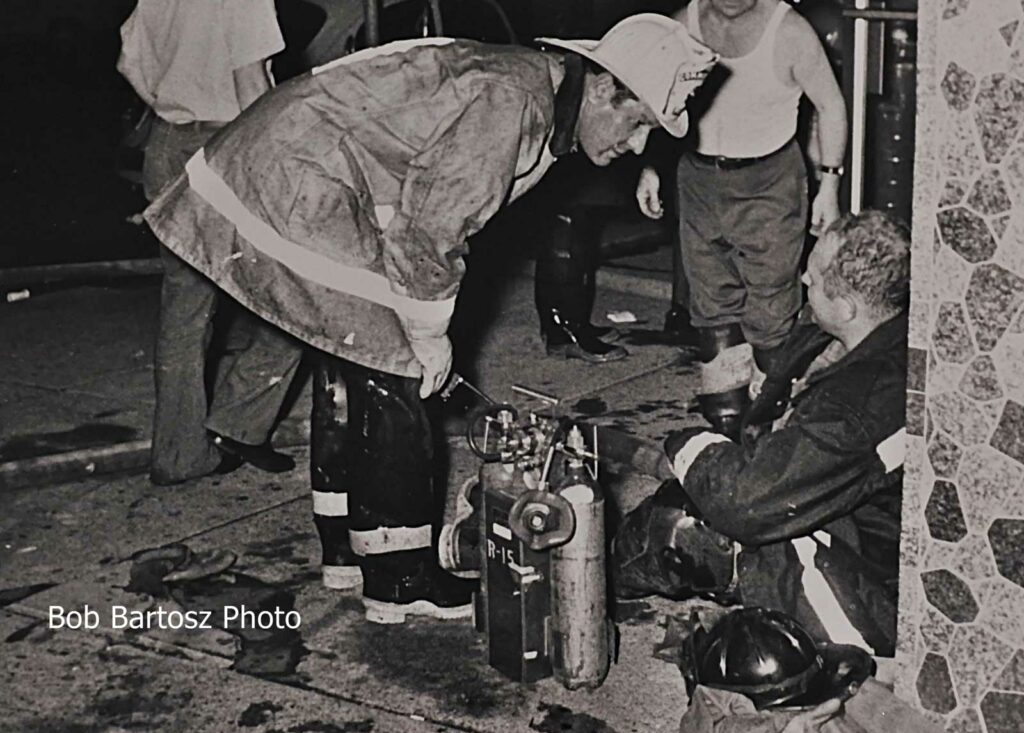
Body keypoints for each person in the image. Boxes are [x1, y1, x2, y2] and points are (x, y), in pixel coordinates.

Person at [142, 15, 717, 623]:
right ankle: (398, 577)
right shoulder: (513, 101)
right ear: (603, 87)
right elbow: (432, 229)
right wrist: (427, 333)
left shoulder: (531, 86)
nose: (635, 146)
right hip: (293, 183)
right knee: (396, 369)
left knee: (352, 358)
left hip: (281, 168)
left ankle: (346, 549)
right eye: (637, 126)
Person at [615, 210, 909, 657]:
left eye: (812, 280)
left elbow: (747, 501)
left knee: (686, 526)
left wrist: (685, 445)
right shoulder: (873, 336)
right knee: (708, 493)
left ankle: (597, 574)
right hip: (851, 509)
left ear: (848, 307)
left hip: (862, 554)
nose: (803, 281)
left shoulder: (858, 406)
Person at [636, 0, 847, 439]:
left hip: (770, 184)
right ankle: (727, 424)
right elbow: (657, 102)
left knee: (770, 308)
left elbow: (830, 105)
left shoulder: (789, 31)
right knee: (711, 304)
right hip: (699, 178)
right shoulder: (682, 25)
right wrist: (652, 167)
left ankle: (773, 423)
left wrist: (829, 183)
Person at [118, 0, 304, 486]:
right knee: (297, 292)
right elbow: (253, 91)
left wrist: (168, 104)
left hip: (168, 145)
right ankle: (241, 422)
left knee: (184, 308)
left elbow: (129, 59)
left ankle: (179, 454)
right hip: (229, 146)